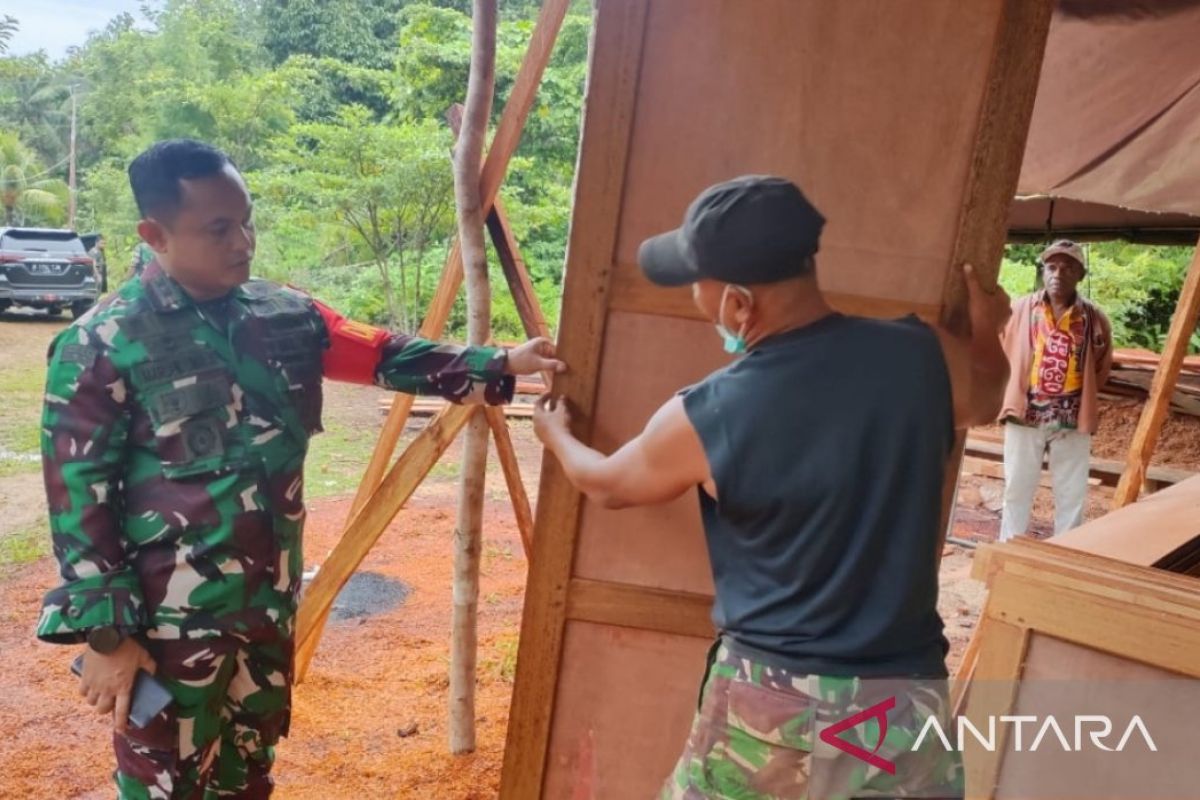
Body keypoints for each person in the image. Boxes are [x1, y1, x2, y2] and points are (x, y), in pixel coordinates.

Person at [35, 138, 564, 798]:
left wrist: (501, 363)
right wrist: (107, 636)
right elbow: (76, 501)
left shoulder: (284, 316)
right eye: (219, 229)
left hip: (267, 605)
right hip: (167, 625)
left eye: (247, 221)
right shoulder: (101, 344)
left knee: (250, 773)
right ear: (155, 234)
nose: (243, 242)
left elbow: (384, 354)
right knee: (166, 785)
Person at [531, 175, 1012, 799]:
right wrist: (989, 327)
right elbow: (988, 396)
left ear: (738, 304)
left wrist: (555, 436)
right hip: (902, 698)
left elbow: (607, 484)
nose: (696, 299)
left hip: (773, 705)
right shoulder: (924, 357)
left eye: (698, 286)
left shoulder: (710, 414)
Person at [998, 240, 1112, 541]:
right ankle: (1009, 547)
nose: (1058, 274)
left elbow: (1102, 366)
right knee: (1016, 488)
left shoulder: (1094, 318)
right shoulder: (1020, 309)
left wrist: (1080, 398)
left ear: (1080, 275)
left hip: (1072, 420)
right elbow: (999, 348)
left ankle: (1065, 548)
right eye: (1051, 267)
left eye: (1068, 268)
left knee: (1072, 492)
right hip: (1025, 415)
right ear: (1043, 271)